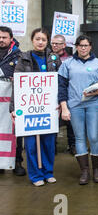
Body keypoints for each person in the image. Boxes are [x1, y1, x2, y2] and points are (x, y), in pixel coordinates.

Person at [10, 28, 61, 186]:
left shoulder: (54, 59)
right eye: (37, 39)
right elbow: (16, 85)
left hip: (49, 107)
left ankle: (48, 172)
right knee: (31, 143)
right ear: (32, 40)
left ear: (47, 42)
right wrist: (13, 108)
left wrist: (60, 102)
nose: (40, 42)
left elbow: (61, 83)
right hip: (29, 108)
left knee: (48, 142)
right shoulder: (23, 58)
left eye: (43, 40)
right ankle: (36, 175)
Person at [58, 35, 98, 185]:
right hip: (75, 105)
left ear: (90, 47)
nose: (83, 48)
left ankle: (97, 170)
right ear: (76, 46)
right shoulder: (67, 64)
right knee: (79, 138)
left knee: (94, 136)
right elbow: (61, 87)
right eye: (80, 45)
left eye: (86, 45)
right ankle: (85, 171)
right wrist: (64, 107)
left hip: (94, 104)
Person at [0, 26, 26, 176]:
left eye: (4, 37)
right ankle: (1, 162)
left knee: (15, 131)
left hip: (12, 100)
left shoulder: (19, 56)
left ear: (11, 39)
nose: (1, 40)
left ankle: (17, 162)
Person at [51, 34, 76, 155]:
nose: (55, 45)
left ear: (64, 45)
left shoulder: (71, 59)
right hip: (50, 94)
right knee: (53, 121)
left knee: (70, 121)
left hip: (68, 93)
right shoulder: (48, 57)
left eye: (58, 43)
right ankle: (52, 146)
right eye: (53, 43)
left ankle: (72, 145)